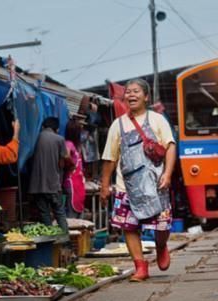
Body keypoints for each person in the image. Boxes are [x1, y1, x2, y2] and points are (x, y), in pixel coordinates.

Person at [100, 79, 176, 282]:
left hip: (156, 184)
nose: (131, 95)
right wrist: (105, 185)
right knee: (129, 227)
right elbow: (110, 157)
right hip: (127, 186)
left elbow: (170, 147)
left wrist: (167, 174)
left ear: (146, 96)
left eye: (136, 91)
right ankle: (140, 266)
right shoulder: (118, 125)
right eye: (128, 92)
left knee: (162, 226)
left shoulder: (157, 119)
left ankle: (161, 245)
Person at [29, 117, 72, 233]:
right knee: (59, 213)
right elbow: (65, 159)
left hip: (36, 186)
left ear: (43, 127)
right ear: (57, 129)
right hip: (53, 184)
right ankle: (65, 241)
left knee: (45, 215)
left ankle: (50, 243)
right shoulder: (59, 139)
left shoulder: (35, 137)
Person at [64, 119, 85, 219]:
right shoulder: (69, 143)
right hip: (71, 182)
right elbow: (66, 155)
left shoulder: (77, 146)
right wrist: (72, 164)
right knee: (72, 215)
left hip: (78, 182)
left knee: (78, 210)